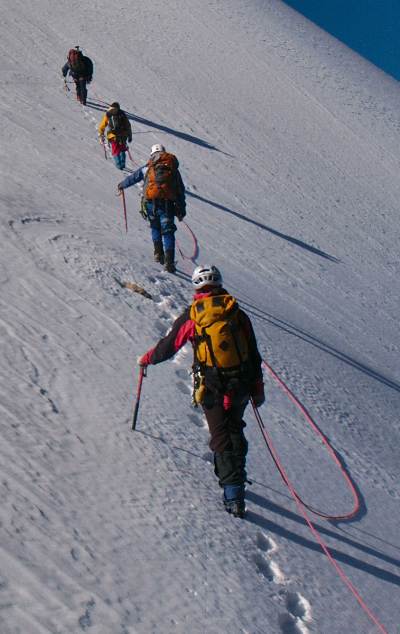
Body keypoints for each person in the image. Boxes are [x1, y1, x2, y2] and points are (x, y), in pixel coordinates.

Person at [138, 265, 264, 517]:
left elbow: (169, 346)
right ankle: (237, 476)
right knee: (235, 427)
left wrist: (147, 359)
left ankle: (233, 494)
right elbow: (253, 354)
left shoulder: (193, 316)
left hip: (212, 387)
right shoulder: (236, 313)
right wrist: (257, 388)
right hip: (241, 384)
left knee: (220, 437)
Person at [117, 143, 186, 272]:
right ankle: (169, 261)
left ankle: (158, 253)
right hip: (167, 204)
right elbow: (180, 190)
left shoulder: (148, 167)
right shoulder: (172, 169)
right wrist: (181, 209)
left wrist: (122, 185)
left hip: (150, 203)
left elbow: (134, 177)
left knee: (155, 226)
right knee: (168, 231)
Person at [98, 101, 132, 170]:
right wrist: (129, 135)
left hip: (112, 136)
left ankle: (118, 165)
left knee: (116, 150)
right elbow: (128, 125)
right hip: (123, 135)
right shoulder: (122, 113)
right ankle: (123, 163)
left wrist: (101, 134)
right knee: (122, 149)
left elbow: (102, 126)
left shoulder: (108, 114)